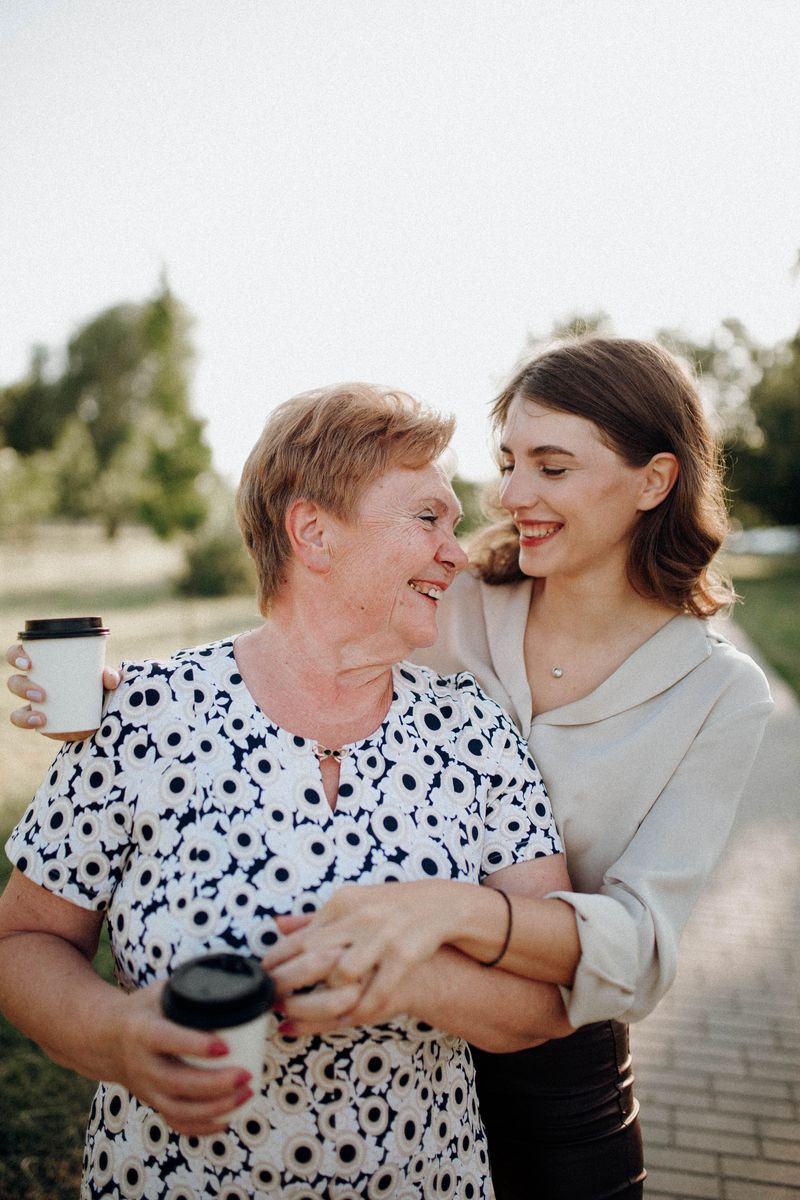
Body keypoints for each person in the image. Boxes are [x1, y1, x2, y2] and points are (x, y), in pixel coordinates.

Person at [5, 338, 774, 1200]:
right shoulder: (459, 600)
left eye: (552, 467)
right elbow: (311, 636)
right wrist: (126, 701)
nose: (507, 500)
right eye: (508, 463)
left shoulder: (709, 693)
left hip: (556, 1059)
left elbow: (629, 952)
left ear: (652, 481)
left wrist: (430, 934)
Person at [0, 383, 576, 1200]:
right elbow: (22, 943)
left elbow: (549, 1000)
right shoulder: (145, 711)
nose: (458, 551)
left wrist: (410, 977)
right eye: (427, 519)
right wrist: (116, 1037)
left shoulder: (472, 729)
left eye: (453, 523)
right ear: (313, 531)